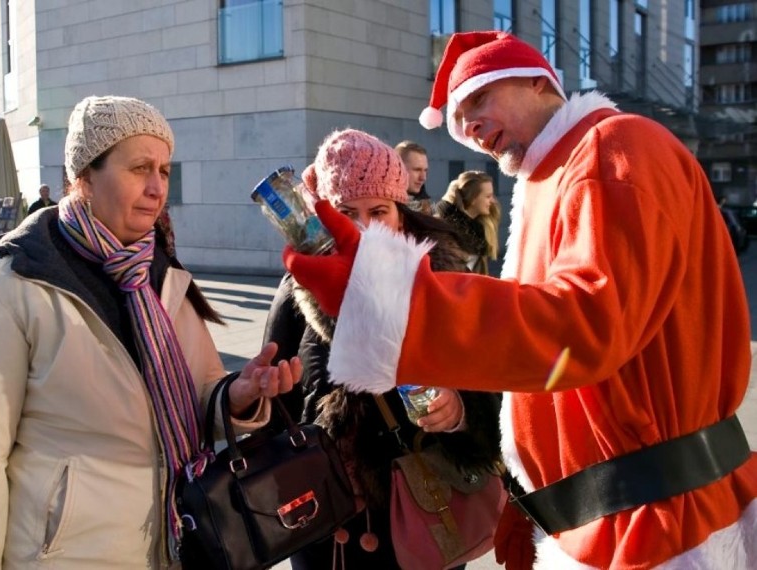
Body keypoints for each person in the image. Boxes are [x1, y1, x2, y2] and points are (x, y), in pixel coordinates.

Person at [283, 31, 756, 569]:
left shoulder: (611, 147)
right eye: (460, 120)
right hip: (614, 516)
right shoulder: (563, 171)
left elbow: (584, 325)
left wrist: (399, 303)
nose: (470, 127)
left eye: (478, 99)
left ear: (539, 80)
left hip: (652, 524)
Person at [0, 95, 302, 569]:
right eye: (139, 169)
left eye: (165, 171)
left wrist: (239, 395)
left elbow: (199, 396)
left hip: (180, 544)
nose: (157, 188)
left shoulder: (163, 274)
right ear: (85, 176)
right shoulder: (4, 291)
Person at [264, 129, 502, 569]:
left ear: (401, 213)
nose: (364, 227)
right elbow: (275, 408)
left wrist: (460, 410)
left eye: (378, 210)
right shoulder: (300, 288)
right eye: (346, 213)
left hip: (426, 513)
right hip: (330, 529)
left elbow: (490, 387)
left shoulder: (441, 281)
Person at [435, 170, 501, 274]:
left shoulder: (479, 234)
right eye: (488, 196)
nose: (493, 201)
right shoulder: (441, 231)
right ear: (473, 199)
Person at [394, 140, 433, 215]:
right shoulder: (381, 206)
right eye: (417, 170)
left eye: (425, 170)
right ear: (398, 168)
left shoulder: (427, 210)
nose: (423, 178)